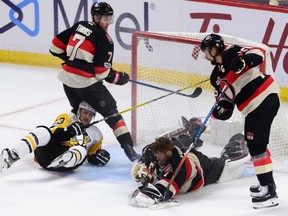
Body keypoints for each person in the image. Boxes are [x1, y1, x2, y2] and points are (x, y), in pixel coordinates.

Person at [48, 2, 140, 162]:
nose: (107, 23)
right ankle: (129, 150)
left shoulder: (79, 25)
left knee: (79, 113)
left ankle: (68, 144)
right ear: (96, 17)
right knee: (113, 115)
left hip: (67, 80)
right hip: (86, 84)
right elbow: (101, 73)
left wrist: (72, 61)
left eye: (109, 19)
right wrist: (119, 77)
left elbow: (54, 47)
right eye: (105, 18)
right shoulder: (105, 39)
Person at [200, 33, 280, 209]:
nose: (205, 56)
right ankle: (266, 185)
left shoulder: (232, 53)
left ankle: (270, 192)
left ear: (214, 49)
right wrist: (221, 110)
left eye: (206, 52)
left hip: (264, 98)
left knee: (257, 146)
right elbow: (226, 103)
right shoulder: (216, 77)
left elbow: (259, 53)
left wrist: (244, 62)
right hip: (253, 108)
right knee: (256, 146)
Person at [128, 116, 250, 207]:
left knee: (220, 167)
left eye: (158, 155)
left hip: (201, 168)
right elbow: (148, 152)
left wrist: (152, 193)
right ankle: (193, 130)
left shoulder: (179, 167)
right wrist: (146, 167)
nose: (156, 157)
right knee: (174, 144)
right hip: (186, 154)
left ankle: (241, 138)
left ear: (169, 153)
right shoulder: (157, 152)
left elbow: (168, 188)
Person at [0, 101, 110, 172]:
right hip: (47, 155)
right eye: (85, 112)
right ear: (79, 111)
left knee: (81, 149)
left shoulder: (96, 134)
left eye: (90, 115)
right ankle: (13, 154)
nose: (87, 117)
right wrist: (69, 132)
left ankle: (65, 160)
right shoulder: (67, 117)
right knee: (43, 130)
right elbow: (54, 134)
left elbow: (91, 156)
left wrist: (99, 158)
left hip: (67, 165)